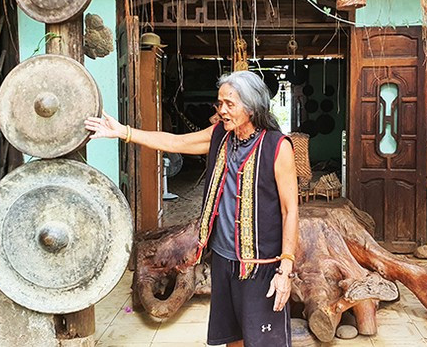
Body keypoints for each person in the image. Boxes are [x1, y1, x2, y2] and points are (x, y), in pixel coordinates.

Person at [85, 70, 299, 347]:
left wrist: (285, 269)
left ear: (252, 107)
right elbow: (176, 142)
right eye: (220, 103)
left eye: (229, 104)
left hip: (261, 266)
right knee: (233, 338)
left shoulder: (277, 147)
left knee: (264, 341)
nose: (221, 110)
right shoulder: (220, 135)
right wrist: (124, 132)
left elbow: (290, 211)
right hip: (223, 258)